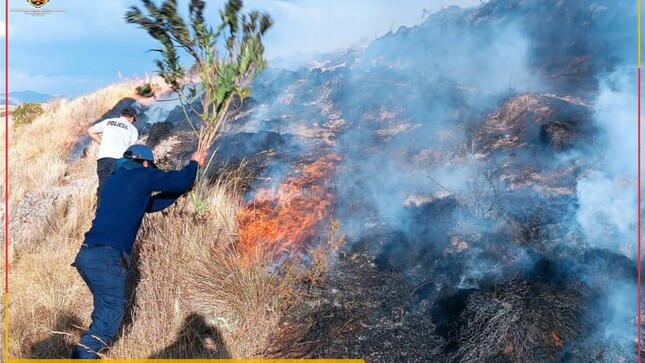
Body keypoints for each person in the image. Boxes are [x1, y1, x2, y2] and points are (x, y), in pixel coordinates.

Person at [71, 144, 207, 359]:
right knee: (107, 322)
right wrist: (194, 164)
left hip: (87, 256)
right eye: (149, 166)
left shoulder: (113, 182)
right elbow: (179, 180)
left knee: (103, 314)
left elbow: (149, 205)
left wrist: (180, 192)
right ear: (144, 163)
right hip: (107, 259)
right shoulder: (142, 174)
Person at [87, 107, 139, 196]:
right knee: (119, 189)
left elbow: (90, 131)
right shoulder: (132, 129)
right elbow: (131, 147)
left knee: (103, 188)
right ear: (132, 118)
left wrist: (102, 143)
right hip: (120, 161)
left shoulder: (108, 122)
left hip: (104, 159)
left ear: (120, 115)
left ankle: (101, 209)